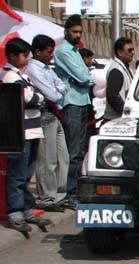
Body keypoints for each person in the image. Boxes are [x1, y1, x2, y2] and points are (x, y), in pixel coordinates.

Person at [1, 38, 53, 232]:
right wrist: (38, 97)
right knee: (18, 174)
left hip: (32, 129)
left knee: (27, 172)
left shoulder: (22, 76)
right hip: (19, 132)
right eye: (24, 55)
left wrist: (37, 97)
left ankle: (28, 209)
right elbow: (31, 98)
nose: (27, 59)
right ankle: (15, 211)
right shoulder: (9, 76)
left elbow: (35, 97)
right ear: (13, 56)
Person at [25, 35, 70, 212]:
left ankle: (60, 195)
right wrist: (57, 91)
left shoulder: (47, 69)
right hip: (44, 115)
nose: (52, 56)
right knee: (47, 160)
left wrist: (57, 91)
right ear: (38, 52)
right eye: (49, 52)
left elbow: (61, 86)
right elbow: (52, 94)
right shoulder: (33, 70)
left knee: (62, 157)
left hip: (55, 114)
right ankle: (47, 197)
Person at [54, 14, 95, 203]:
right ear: (66, 32)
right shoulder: (63, 51)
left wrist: (86, 76)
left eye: (79, 32)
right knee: (73, 151)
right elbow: (84, 76)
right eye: (74, 32)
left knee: (80, 150)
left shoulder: (76, 51)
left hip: (82, 100)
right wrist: (85, 77)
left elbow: (87, 74)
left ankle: (75, 189)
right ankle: (70, 192)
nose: (78, 35)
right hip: (72, 102)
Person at [103, 37, 134, 121]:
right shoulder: (116, 70)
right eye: (130, 50)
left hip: (123, 118)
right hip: (114, 119)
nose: (133, 53)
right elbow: (112, 96)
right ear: (120, 52)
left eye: (133, 50)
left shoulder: (126, 67)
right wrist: (125, 112)